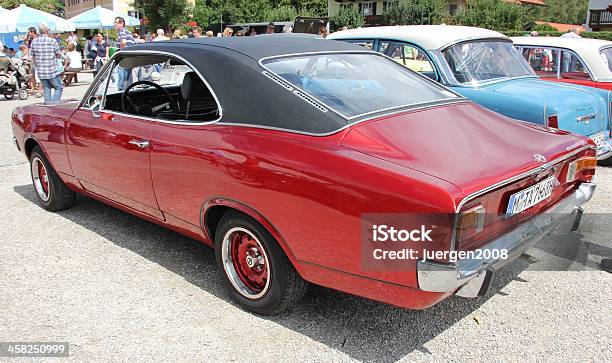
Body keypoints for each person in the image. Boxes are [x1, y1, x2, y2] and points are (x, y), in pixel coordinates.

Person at [30, 22, 63, 104]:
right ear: (47, 30)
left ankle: (48, 107)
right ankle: (54, 105)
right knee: (59, 88)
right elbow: (58, 55)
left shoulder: (34, 41)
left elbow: (32, 56)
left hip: (41, 70)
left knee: (46, 89)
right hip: (52, 69)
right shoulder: (52, 41)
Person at [114, 16, 134, 91]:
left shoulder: (122, 31)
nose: (115, 24)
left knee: (121, 79)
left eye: (116, 23)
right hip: (130, 57)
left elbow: (123, 42)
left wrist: (121, 52)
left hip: (124, 57)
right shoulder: (128, 32)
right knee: (128, 80)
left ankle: (120, 95)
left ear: (122, 23)